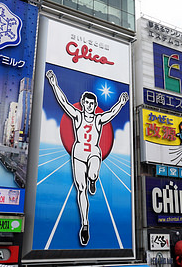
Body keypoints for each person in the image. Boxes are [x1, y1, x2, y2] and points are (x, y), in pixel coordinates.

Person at [45, 70, 129, 246]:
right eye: (87, 103)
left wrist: (121, 103)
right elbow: (63, 102)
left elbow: (111, 113)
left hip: (93, 152)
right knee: (80, 189)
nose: (89, 106)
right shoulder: (77, 116)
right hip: (78, 153)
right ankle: (84, 224)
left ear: (94, 105)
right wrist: (54, 84)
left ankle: (93, 178)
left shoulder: (98, 119)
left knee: (92, 172)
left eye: (92, 103)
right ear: (83, 104)